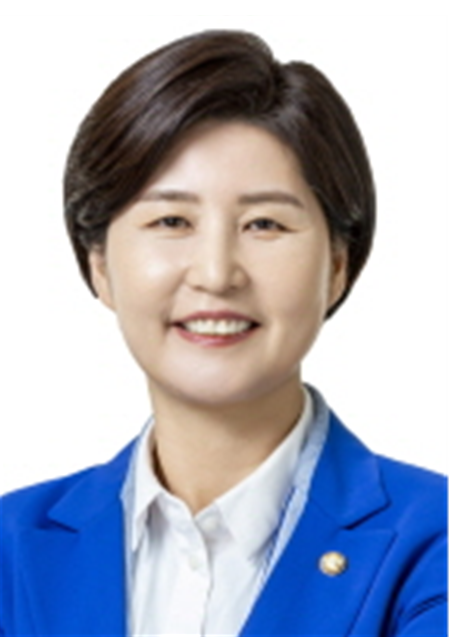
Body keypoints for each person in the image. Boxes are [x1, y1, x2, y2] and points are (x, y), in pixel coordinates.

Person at [0, 30, 446, 637]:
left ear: (338, 265)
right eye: (171, 220)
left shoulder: (433, 544)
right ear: (99, 264)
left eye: (264, 224)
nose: (215, 274)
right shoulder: (12, 549)